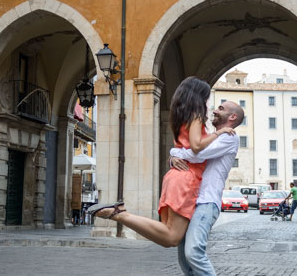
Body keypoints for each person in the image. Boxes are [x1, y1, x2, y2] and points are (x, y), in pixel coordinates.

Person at [89, 77, 235, 249]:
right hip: (186, 179)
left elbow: (186, 147)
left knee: (167, 235)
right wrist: (218, 133)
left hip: (175, 177)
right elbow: (197, 147)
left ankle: (120, 214)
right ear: (198, 97)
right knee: (172, 237)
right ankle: (120, 214)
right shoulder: (196, 116)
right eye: (205, 97)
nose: (207, 103)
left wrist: (173, 155)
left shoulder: (181, 117)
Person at [165, 101, 243, 276]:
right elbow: (193, 151)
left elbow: (198, 154)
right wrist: (174, 158)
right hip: (191, 200)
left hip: (206, 203)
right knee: (185, 261)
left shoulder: (229, 137)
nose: (215, 110)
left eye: (221, 108)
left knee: (194, 252)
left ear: (232, 118)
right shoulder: (212, 135)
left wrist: (173, 153)